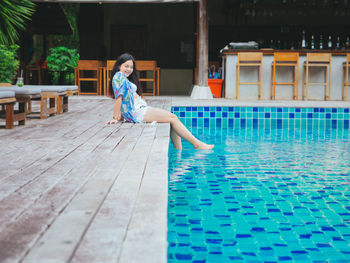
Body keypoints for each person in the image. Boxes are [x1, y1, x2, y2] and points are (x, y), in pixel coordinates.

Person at [106, 53, 214, 150]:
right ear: (119, 66)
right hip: (138, 112)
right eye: (126, 66)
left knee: (172, 119)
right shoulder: (119, 77)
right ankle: (196, 144)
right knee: (173, 118)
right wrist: (115, 118)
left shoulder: (122, 78)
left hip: (138, 110)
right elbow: (119, 99)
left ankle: (179, 151)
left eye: (131, 67)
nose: (129, 69)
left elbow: (125, 100)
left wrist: (122, 117)